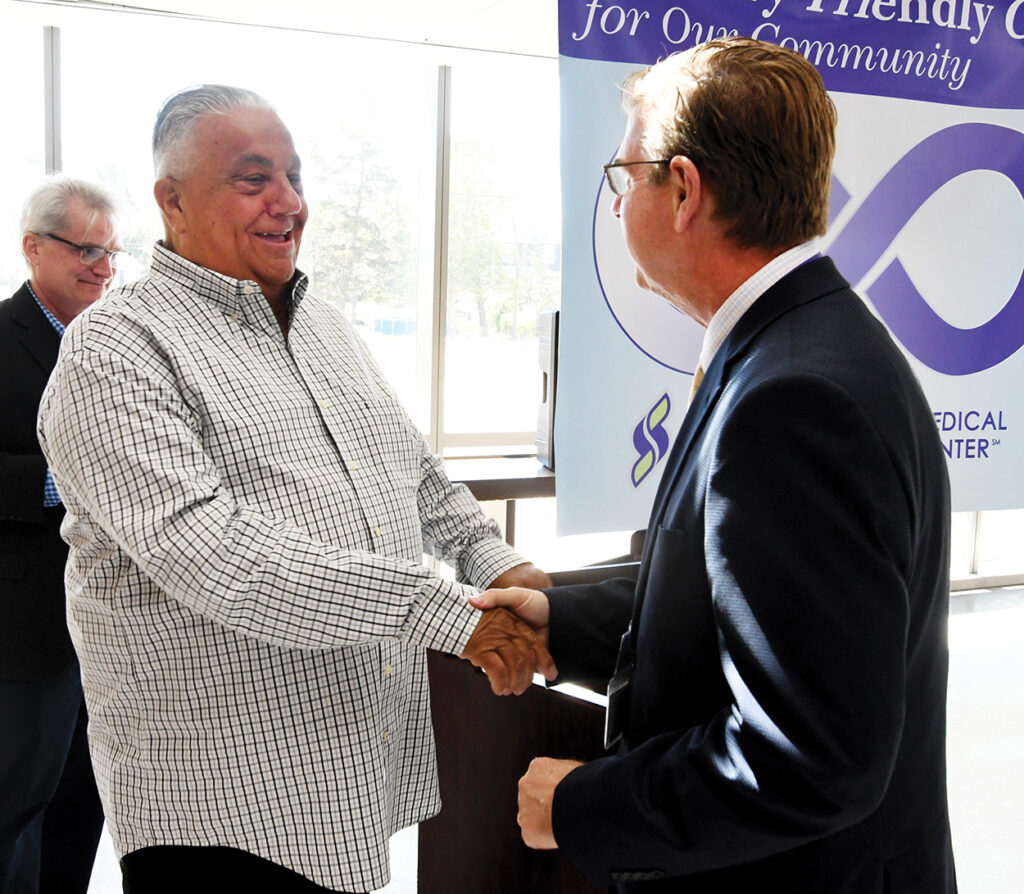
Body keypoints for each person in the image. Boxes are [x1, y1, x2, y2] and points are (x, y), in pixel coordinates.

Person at [36, 85, 554, 894]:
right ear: (172, 202)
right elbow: (214, 554)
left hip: (349, 776)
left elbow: (414, 473)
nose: (288, 202)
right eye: (254, 180)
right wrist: (453, 615)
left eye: (295, 176)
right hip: (218, 806)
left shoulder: (327, 326)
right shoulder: (115, 347)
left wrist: (502, 567)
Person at [472, 37, 957, 892]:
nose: (617, 203)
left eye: (625, 177)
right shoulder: (799, 347)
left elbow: (810, 758)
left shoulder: (792, 398)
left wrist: (583, 806)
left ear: (684, 190)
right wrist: (560, 623)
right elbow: (739, 592)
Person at [1, 177, 121, 893]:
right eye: (86, 250)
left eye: (111, 253)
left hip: (109, 630)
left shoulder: (111, 351)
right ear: (33, 248)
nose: (103, 268)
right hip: (28, 630)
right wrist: (65, 480)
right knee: (18, 809)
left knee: (84, 806)